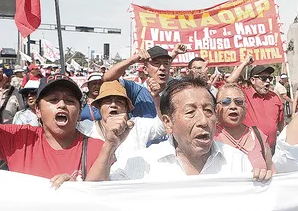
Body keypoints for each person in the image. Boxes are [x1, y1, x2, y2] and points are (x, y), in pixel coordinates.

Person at [86, 77, 272, 182]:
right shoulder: (140, 165)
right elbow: (94, 198)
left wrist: (264, 185)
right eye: (190, 112)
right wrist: (109, 146)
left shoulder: (237, 163)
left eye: (208, 111)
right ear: (167, 123)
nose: (203, 121)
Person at [0, 69, 108, 180]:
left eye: (70, 101)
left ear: (80, 110)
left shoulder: (98, 150)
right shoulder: (18, 139)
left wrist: (77, 190)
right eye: (53, 100)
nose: (62, 105)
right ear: (38, 110)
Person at [85, 81, 165, 161]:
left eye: (119, 102)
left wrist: (156, 98)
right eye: (107, 101)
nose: (113, 105)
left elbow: (163, 126)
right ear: (99, 107)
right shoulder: (86, 128)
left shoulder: (138, 126)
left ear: (126, 108)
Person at [103, 45, 188, 118]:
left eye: (166, 64)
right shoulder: (137, 91)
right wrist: (132, 60)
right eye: (156, 63)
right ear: (145, 70)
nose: (162, 68)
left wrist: (174, 52)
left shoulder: (176, 90)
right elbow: (107, 78)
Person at [226, 56, 284, 151]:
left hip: (272, 149)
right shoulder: (243, 94)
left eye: (269, 78)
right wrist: (245, 63)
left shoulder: (274, 97)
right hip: (250, 150)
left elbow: (281, 123)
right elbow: (229, 82)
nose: (268, 81)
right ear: (253, 80)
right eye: (264, 78)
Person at [215, 83, 274, 172]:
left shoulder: (258, 136)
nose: (233, 107)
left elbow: (272, 171)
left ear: (245, 107)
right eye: (226, 102)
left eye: (238, 102)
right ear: (216, 108)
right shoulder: (209, 137)